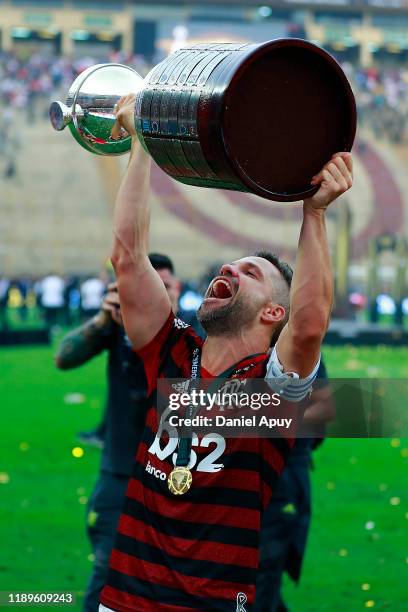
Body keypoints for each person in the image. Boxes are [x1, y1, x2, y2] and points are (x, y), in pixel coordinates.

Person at [98, 94, 353, 611]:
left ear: (272, 314)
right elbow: (128, 257)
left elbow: (308, 327)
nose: (230, 270)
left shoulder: (273, 390)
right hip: (124, 598)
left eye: (251, 274)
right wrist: (140, 145)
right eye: (229, 267)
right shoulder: (171, 351)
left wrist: (314, 212)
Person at [55, 254, 181, 612]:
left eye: (163, 289)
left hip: (175, 481)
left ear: (178, 290)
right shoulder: (116, 329)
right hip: (120, 476)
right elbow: (63, 358)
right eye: (145, 289)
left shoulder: (193, 336)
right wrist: (102, 321)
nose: (154, 298)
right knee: (108, 571)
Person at [255, 360, 335, 612]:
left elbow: (326, 407)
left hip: (283, 481)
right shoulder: (230, 341)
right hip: (238, 480)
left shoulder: (299, 348)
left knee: (264, 573)